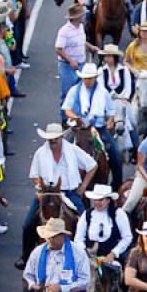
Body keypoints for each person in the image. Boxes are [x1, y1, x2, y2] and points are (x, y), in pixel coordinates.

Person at [14, 122, 98, 270]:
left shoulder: (73, 150)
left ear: (61, 137)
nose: (52, 142)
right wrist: (41, 186)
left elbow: (92, 165)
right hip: (47, 193)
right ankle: (25, 255)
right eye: (50, 139)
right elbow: (34, 175)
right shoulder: (40, 153)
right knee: (28, 224)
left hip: (69, 192)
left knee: (85, 219)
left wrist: (83, 186)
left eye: (55, 139)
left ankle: (88, 253)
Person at [62, 62, 124, 191]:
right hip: (79, 128)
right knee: (63, 149)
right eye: (85, 78)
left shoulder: (103, 92)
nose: (87, 81)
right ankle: (62, 183)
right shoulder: (75, 90)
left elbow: (110, 112)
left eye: (90, 78)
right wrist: (76, 117)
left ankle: (117, 185)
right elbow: (67, 110)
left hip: (98, 129)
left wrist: (110, 121)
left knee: (116, 153)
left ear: (95, 78)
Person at [74, 183, 132, 263]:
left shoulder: (118, 214)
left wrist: (114, 253)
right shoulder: (86, 215)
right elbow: (78, 238)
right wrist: (84, 251)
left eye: (101, 200)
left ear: (108, 200)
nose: (97, 203)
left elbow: (127, 237)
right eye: (95, 200)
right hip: (88, 258)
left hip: (111, 259)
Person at [97, 43, 138, 153]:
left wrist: (125, 98)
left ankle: (135, 149)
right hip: (108, 101)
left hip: (122, 100)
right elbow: (101, 88)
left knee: (132, 122)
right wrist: (109, 98)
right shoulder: (101, 71)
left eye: (110, 56)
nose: (108, 58)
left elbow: (128, 86)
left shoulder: (124, 70)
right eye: (106, 56)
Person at [55, 4, 94, 118]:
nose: (84, 16)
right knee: (67, 93)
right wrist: (71, 61)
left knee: (81, 92)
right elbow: (58, 49)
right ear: (77, 17)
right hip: (68, 67)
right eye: (82, 14)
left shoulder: (80, 27)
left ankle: (78, 116)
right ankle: (65, 119)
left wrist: (90, 46)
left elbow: (81, 41)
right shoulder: (64, 31)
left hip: (81, 64)